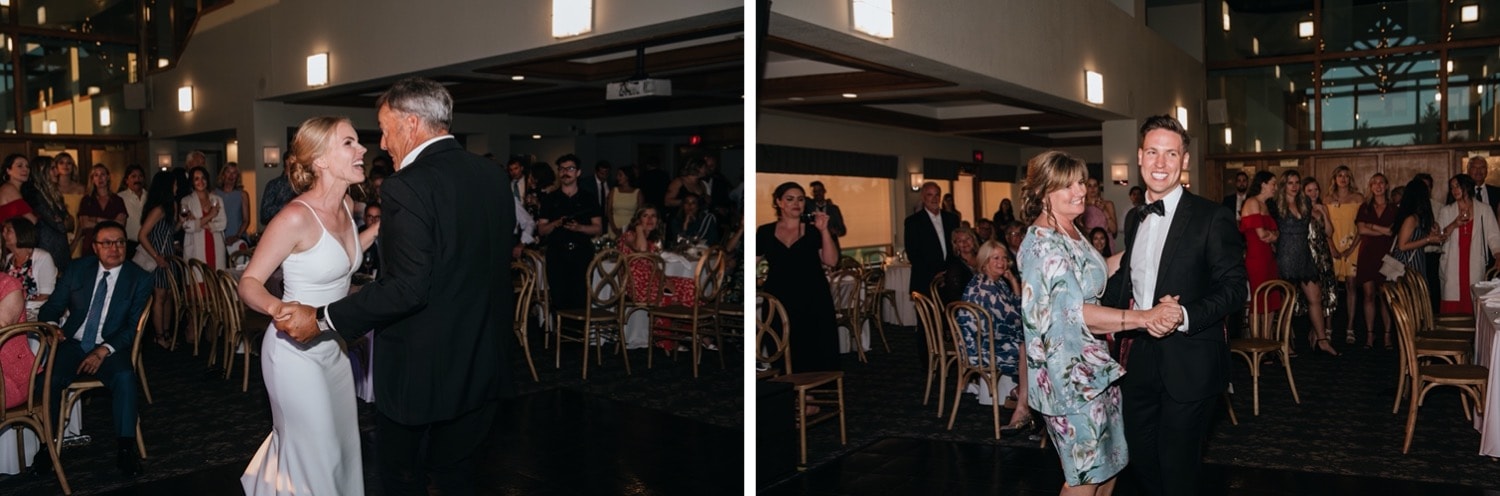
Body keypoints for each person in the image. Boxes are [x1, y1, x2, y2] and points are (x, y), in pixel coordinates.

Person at [274, 78, 516, 495]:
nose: (383, 144)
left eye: (385, 130)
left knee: (403, 477)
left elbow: (407, 288)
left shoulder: (408, 184)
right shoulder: (492, 175)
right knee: (460, 474)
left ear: (410, 123)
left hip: (423, 367)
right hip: (483, 358)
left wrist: (325, 316)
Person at [1020, 150, 1178, 495]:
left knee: (1109, 468)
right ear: (1044, 192)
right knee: (1086, 478)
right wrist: (1143, 318)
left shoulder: (1069, 230)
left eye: (1081, 181)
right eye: (1069, 185)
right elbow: (1074, 313)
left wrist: (1147, 247)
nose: (1081, 191)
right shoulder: (1043, 245)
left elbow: (1096, 274)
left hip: (1094, 369)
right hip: (1069, 379)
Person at [1104, 115, 1246, 496]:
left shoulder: (1212, 216)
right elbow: (1127, 282)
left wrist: (1182, 314)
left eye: (1171, 154)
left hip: (1192, 358)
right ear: (1139, 157)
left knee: (1177, 463)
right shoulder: (1135, 217)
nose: (1161, 163)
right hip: (1140, 358)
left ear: (1184, 160)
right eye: (1153, 152)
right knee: (1140, 454)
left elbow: (1235, 289)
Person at [238, 116, 376, 495]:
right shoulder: (296, 216)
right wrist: (279, 311)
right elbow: (248, 282)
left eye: (358, 141)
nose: (362, 149)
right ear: (321, 160)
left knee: (341, 449)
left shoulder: (348, 205)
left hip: (335, 345)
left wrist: (380, 229)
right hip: (294, 352)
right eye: (349, 143)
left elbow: (340, 258)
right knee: (313, 450)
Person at [32, 220, 152, 477]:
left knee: (125, 378)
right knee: (47, 381)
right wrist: (53, 328)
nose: (115, 248)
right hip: (74, 343)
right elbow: (51, 307)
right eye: (107, 243)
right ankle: (48, 446)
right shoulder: (77, 269)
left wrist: (103, 350)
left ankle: (125, 448)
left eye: (120, 242)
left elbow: (132, 327)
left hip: (111, 346)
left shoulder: (138, 278)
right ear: (95, 247)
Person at [758, 182, 840, 373]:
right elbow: (750, 262)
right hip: (779, 296)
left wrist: (824, 230)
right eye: (790, 199)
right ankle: (792, 394)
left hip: (813, 296)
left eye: (800, 199)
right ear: (779, 202)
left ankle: (811, 397)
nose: (796, 203)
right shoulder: (765, 231)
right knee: (782, 345)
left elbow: (832, 261)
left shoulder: (813, 230)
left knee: (814, 348)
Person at [956, 239, 1030, 426]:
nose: (1002, 262)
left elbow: (1014, 308)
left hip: (990, 340)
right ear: (984, 261)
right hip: (981, 350)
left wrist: (1013, 281)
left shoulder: (995, 282)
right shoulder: (987, 288)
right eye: (995, 258)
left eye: (1004, 258)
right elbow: (1017, 317)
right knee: (1032, 351)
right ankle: (1023, 396)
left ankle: (1020, 392)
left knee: (1030, 346)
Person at [1271, 171, 1337, 356]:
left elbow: (1324, 228)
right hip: (1285, 255)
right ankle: (1285, 344)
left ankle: (1322, 340)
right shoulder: (1275, 204)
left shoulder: (1305, 202)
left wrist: (1323, 214)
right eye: (1290, 182)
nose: (1294, 186)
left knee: (1315, 298)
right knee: (1287, 304)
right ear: (1283, 185)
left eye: (1297, 182)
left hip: (1304, 254)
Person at [538, 153, 602, 311]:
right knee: (559, 299)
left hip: (581, 253)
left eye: (570, 169)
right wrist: (556, 223)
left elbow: (598, 228)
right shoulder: (550, 199)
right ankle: (560, 334)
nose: (566, 172)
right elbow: (541, 230)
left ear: (578, 172)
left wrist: (579, 228)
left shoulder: (589, 198)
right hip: (557, 254)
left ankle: (579, 335)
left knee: (580, 298)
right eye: (562, 169)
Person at [1389, 177, 1443, 347]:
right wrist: (1427, 239)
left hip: (1416, 263)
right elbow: (1403, 246)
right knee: (1410, 308)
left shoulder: (1418, 217)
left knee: (1415, 309)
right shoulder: (1411, 218)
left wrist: (1432, 233)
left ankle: (1413, 344)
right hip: (1407, 266)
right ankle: (1410, 346)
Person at [1438, 174, 1500, 315]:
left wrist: (1497, 254)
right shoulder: (1446, 211)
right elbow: (1439, 238)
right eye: (1452, 187)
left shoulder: (1484, 209)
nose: (1455, 190)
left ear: (1468, 186)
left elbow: (1494, 236)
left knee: (1474, 302)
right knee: (1452, 301)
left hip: (1474, 261)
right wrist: (1454, 224)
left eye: (1458, 186)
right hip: (1452, 264)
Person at [137, 171, 186, 348]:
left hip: (168, 257)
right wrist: (156, 256)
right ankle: (159, 336)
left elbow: (167, 232)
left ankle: (166, 333)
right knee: (159, 296)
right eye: (174, 184)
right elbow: (142, 235)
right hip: (157, 257)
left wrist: (180, 223)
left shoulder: (171, 205)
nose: (177, 187)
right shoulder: (158, 209)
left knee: (169, 296)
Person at [1354, 173, 1394, 349]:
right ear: (1370, 187)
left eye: (1381, 183)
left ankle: (1387, 335)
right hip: (1368, 254)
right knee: (1368, 295)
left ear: (1386, 186)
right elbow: (1361, 230)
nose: (1378, 186)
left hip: (1387, 255)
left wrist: (1372, 226)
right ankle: (1370, 335)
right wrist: (1381, 230)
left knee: (1386, 297)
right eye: (1374, 183)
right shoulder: (1365, 207)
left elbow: (1393, 232)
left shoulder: (1394, 208)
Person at [1325, 165, 1362, 344]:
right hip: (1332, 245)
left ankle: (1350, 328)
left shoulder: (1358, 198)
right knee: (1330, 288)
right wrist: (1331, 245)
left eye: (1346, 176)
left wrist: (1351, 248)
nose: (1343, 178)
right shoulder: (1327, 199)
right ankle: (1328, 327)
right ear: (1335, 178)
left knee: (1351, 286)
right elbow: (1323, 227)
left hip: (1353, 246)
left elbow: (1362, 227)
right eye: (1340, 175)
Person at [905, 182, 959, 295]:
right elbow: (913, 254)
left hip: (950, 281)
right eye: (930, 195)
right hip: (925, 281)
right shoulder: (913, 222)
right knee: (928, 313)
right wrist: (934, 274)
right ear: (923, 198)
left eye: (937, 195)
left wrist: (948, 274)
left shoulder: (952, 219)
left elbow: (956, 249)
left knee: (950, 312)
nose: (934, 199)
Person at [1303, 176, 1339, 343]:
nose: (1313, 193)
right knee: (1312, 297)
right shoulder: (1300, 209)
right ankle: (1315, 331)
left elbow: (1330, 232)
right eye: (1309, 190)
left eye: (1316, 190)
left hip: (1323, 255)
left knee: (1328, 290)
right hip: (1308, 256)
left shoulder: (1322, 207)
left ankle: (1326, 330)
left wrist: (1324, 213)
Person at [1240, 171, 1280, 316]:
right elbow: (1262, 234)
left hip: (1269, 256)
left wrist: (1272, 235)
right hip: (1257, 257)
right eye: (1273, 184)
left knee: (1272, 300)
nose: (1275, 188)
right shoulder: (1252, 202)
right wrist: (1272, 235)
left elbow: (1276, 234)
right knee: (1259, 299)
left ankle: (1267, 337)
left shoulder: (1267, 205)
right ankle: (1257, 337)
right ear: (1263, 184)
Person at [22, 156, 71, 269]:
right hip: (47, 249)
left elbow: (69, 223)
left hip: (58, 248)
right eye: (52, 168)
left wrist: (63, 221)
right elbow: (61, 225)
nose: (57, 172)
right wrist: (63, 221)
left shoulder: (53, 194)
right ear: (41, 171)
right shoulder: (35, 195)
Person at [181, 166, 227, 273]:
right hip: (196, 246)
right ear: (192, 182)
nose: (200, 181)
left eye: (203, 178)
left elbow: (223, 223)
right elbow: (187, 226)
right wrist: (210, 216)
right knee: (199, 281)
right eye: (196, 179)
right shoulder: (186, 201)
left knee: (216, 279)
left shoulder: (217, 199)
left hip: (215, 243)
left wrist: (198, 222)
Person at [77, 164, 127, 259]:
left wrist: (96, 219)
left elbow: (120, 224)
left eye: (102, 174)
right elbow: (84, 224)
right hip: (91, 245)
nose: (100, 178)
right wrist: (110, 221)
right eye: (96, 175)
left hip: (112, 246)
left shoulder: (117, 200)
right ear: (92, 179)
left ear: (108, 177)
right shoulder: (87, 200)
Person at [3, 218, 57, 302]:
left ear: (21, 233)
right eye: (3, 230)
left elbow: (46, 295)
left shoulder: (43, 258)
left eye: (8, 230)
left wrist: (19, 308)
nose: (3, 234)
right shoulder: (7, 259)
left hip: (34, 311)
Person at [52, 153, 85, 257]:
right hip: (55, 235)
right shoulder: (51, 189)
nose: (65, 166)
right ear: (55, 166)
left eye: (69, 163)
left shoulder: (81, 189)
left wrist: (75, 241)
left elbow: (83, 217)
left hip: (77, 234)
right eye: (61, 163)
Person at [938, 226, 980, 305]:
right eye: (960, 241)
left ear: (973, 240)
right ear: (955, 245)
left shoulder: (983, 259)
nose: (965, 243)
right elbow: (953, 295)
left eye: (968, 239)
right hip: (966, 307)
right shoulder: (954, 265)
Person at [216, 163, 251, 247]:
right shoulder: (214, 194)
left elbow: (246, 220)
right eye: (228, 172)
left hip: (238, 238)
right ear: (223, 174)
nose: (231, 175)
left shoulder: (242, 195)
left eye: (234, 172)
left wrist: (237, 236)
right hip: (219, 238)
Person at [118, 165, 147, 257]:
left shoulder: (150, 197)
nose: (137, 179)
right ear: (126, 180)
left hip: (148, 244)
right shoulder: (120, 198)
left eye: (140, 176)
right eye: (133, 176)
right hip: (130, 244)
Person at [259, 160, 295, 229]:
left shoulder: (305, 186)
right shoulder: (274, 185)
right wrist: (286, 205)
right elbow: (264, 216)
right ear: (286, 164)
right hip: (279, 231)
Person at [606, 166, 640, 236]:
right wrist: (614, 228)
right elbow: (609, 210)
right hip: (614, 225)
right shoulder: (614, 190)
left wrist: (629, 227)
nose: (617, 177)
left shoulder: (638, 192)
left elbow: (639, 213)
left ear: (627, 177)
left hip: (630, 227)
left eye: (620, 175)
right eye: (617, 175)